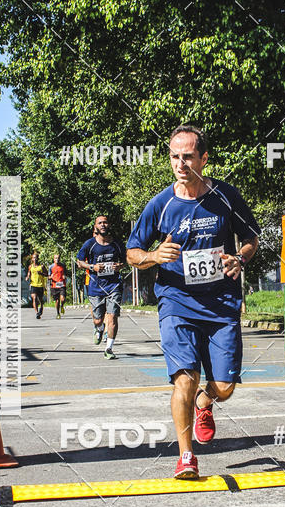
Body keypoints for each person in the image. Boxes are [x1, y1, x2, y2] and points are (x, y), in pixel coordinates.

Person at [127, 124, 260, 480]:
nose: (180, 164)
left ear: (203, 158)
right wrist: (154, 256)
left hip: (221, 303)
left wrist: (240, 258)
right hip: (177, 301)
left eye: (188, 156)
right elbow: (132, 253)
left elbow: (251, 238)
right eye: (174, 157)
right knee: (184, 377)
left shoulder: (226, 196)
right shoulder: (161, 204)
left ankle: (206, 401)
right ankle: (186, 457)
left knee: (226, 388)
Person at [76, 216, 126, 359]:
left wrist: (120, 266)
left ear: (109, 225)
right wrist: (93, 267)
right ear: (95, 227)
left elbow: (125, 260)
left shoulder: (117, 244)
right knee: (98, 319)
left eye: (105, 222)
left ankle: (109, 349)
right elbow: (80, 262)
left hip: (114, 285)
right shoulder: (89, 244)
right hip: (95, 286)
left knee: (112, 318)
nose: (103, 225)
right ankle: (98, 328)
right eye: (100, 223)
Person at [26, 252, 48, 319]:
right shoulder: (30, 266)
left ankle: (41, 307)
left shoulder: (41, 266)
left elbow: (47, 274)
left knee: (40, 299)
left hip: (40, 285)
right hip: (33, 284)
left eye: (36, 257)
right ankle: (37, 313)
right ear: (32, 259)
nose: (35, 259)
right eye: (33, 258)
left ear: (38, 258)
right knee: (34, 298)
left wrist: (41, 273)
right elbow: (29, 273)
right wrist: (27, 277)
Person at [48, 253, 67, 318]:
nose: (57, 259)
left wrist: (64, 276)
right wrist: (51, 277)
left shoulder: (63, 266)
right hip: (54, 285)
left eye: (58, 258)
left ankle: (62, 306)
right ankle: (58, 313)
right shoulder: (51, 267)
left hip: (62, 284)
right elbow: (48, 277)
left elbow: (65, 273)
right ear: (53, 259)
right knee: (57, 301)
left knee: (62, 299)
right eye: (56, 258)